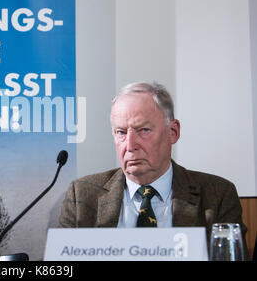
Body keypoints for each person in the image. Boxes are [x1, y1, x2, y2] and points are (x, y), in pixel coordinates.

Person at [59, 81, 248, 258]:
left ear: (173, 132)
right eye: (121, 132)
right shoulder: (82, 195)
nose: (130, 145)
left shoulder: (217, 195)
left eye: (144, 130)